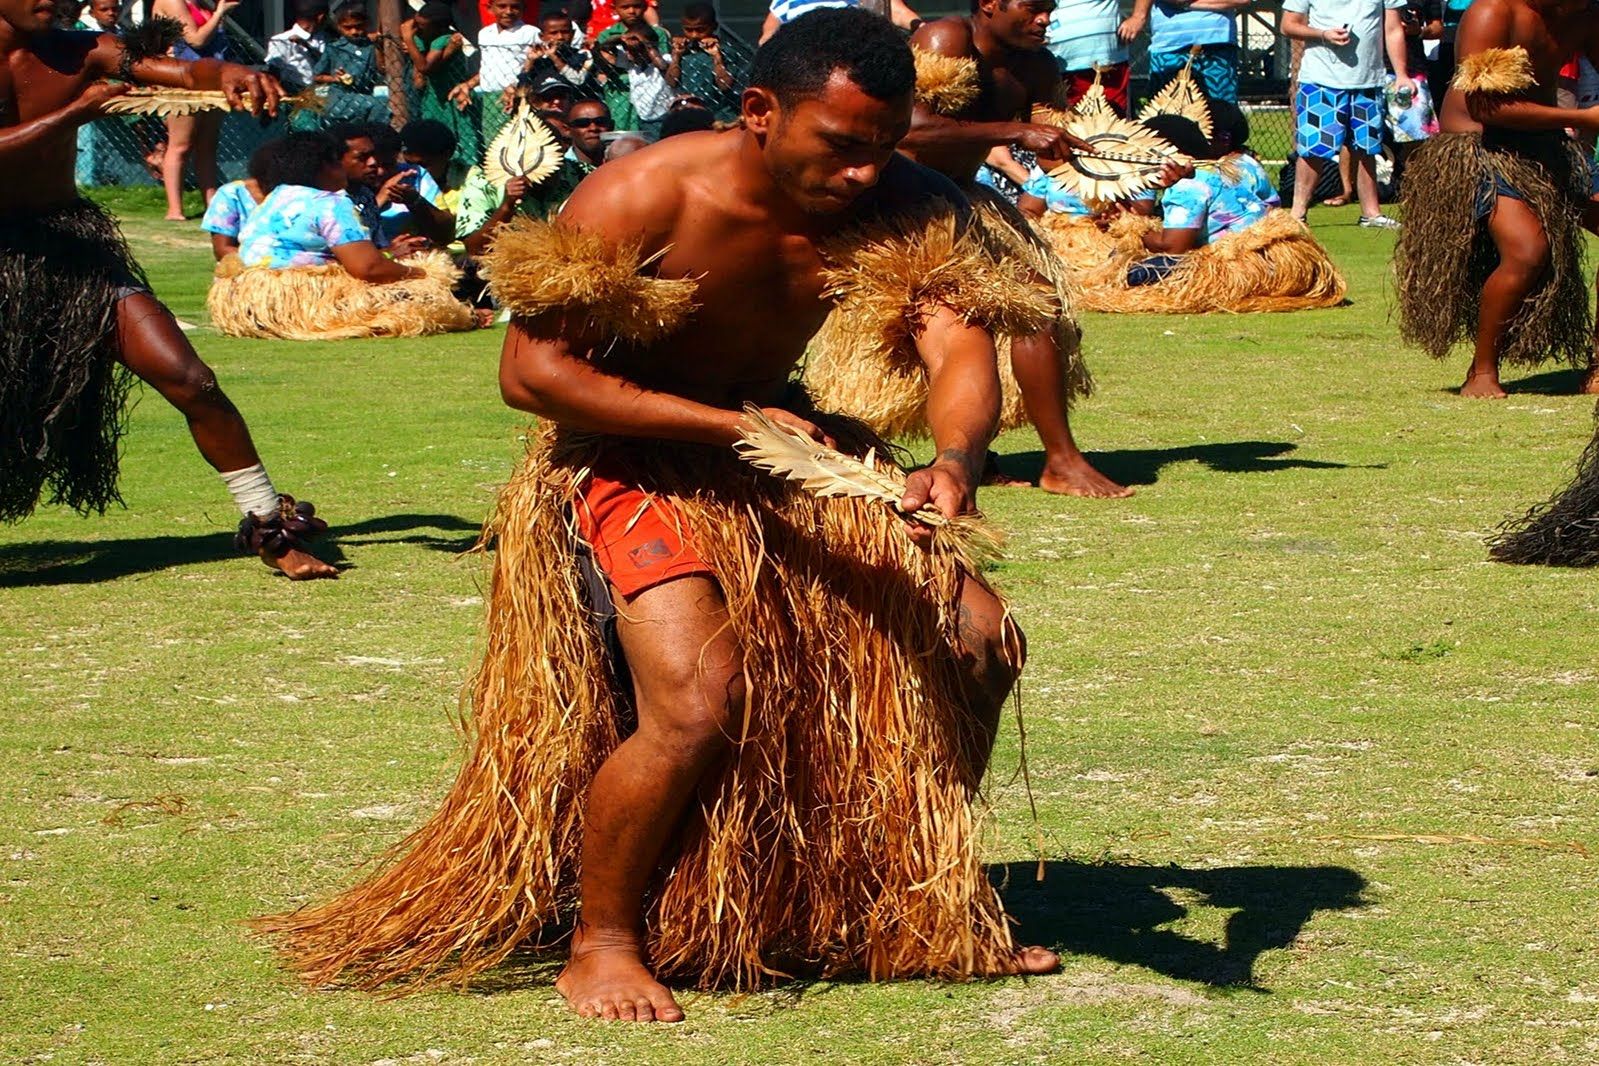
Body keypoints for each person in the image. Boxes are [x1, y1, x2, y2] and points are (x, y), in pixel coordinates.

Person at [258, 7, 1060, 1020]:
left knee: (983, 637)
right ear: (762, 111)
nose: (867, 173)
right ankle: (603, 939)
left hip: (786, 445)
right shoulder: (646, 192)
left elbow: (957, 345)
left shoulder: (906, 201)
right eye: (843, 147)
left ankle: (910, 891)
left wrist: (953, 459)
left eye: (886, 147)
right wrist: (727, 426)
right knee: (697, 699)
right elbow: (532, 374)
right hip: (630, 455)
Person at [0, 1, 335, 578]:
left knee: (191, 379)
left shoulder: (80, 49)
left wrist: (226, 74)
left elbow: (177, 71)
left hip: (71, 246)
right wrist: (78, 111)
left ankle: (269, 529)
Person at [890, 0, 1132, 498]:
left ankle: (1058, 459)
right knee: (946, 327)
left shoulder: (1039, 66)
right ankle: (966, 457)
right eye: (1032, 8)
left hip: (964, 202)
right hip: (899, 203)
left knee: (1036, 304)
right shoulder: (945, 40)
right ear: (990, 4)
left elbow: (1068, 141)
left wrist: (1130, 173)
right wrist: (1015, 129)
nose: (1045, 19)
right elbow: (908, 126)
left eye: (1050, 9)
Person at [1394, 0, 1599, 399]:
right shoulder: (1493, 12)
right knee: (1526, 251)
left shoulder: (1585, 15)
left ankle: (1597, 368)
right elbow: (1486, 107)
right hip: (1480, 148)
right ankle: (1482, 370)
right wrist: (1582, 118)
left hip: (1544, 145)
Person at [1281, 0, 1412, 228]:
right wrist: (1323, 34)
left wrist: (1401, 74)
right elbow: (1289, 25)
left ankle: (1371, 214)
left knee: (1367, 148)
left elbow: (1393, 29)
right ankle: (1298, 213)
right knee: (1313, 149)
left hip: (1368, 82)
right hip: (1320, 81)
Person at [1127, 114, 1274, 284]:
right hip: (1262, 256)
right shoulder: (1219, 167)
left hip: (1238, 267)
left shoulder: (1188, 186)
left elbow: (1172, 250)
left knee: (1134, 272)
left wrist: (1132, 225)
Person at [151, 0, 233, 220]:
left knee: (207, 146)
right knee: (181, 145)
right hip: (182, 80)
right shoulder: (172, 2)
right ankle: (175, 210)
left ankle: (212, 206)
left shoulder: (204, 4)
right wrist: (220, 13)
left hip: (212, 81)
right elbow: (195, 39)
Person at [449, 0, 540, 149]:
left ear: (523, 9)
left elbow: (535, 67)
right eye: (502, 6)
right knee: (493, 145)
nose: (509, 11)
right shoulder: (485, 34)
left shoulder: (530, 33)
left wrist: (517, 87)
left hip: (516, 96)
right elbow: (487, 68)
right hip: (490, 97)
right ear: (490, 9)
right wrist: (468, 85)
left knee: (518, 145)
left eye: (515, 7)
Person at [1126, 0, 1250, 104]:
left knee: (1222, 117)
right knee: (1164, 116)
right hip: (1168, 46)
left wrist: (1185, 3)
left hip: (1217, 45)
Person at [402, 2, 478, 166]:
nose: (416, 29)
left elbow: (424, 67)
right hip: (433, 97)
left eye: (422, 26)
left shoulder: (444, 40)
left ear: (439, 27)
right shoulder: (423, 39)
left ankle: (466, 164)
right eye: (416, 24)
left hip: (453, 93)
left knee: (461, 131)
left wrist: (408, 39)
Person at [593, 0, 672, 137]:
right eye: (625, 7)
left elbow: (661, 62)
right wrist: (620, 38)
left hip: (653, 91)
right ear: (614, 8)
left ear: (645, 7)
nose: (631, 11)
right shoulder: (607, 34)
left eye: (636, 6)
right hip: (620, 91)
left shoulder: (657, 33)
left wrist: (644, 42)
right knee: (622, 132)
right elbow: (605, 60)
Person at [1046, 0, 1136, 114]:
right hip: (1058, 65)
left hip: (1106, 65)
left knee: (1112, 121)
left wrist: (1138, 17)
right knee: (1067, 124)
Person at [312, 1, 387, 124]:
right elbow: (317, 76)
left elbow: (382, 69)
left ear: (366, 24)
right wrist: (335, 78)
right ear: (339, 26)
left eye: (358, 26)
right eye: (347, 27)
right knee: (380, 105)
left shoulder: (370, 46)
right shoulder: (335, 48)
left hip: (364, 93)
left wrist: (378, 46)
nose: (354, 32)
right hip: (338, 96)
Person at [200, 137, 275, 259]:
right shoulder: (230, 194)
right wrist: (272, 261)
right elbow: (221, 250)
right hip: (246, 269)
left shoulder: (302, 196)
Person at [666, 1, 739, 123]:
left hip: (720, 114)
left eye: (701, 30)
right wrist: (676, 57)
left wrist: (717, 56)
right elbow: (672, 82)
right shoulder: (682, 51)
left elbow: (724, 85)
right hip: (689, 112)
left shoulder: (725, 51)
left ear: (714, 27)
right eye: (689, 30)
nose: (694, 35)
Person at [759, 0, 922, 44]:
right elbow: (768, 35)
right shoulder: (786, 1)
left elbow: (898, 11)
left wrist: (922, 28)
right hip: (799, 65)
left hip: (851, 59)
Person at [401, 118, 471, 213]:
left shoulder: (469, 185)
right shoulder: (398, 178)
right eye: (409, 163)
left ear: (446, 155)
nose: (415, 171)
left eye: (423, 164)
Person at [523, 7, 598, 93]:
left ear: (572, 34)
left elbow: (578, 81)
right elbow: (522, 88)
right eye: (553, 33)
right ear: (542, 37)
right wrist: (529, 62)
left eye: (565, 32)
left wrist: (554, 58)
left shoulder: (583, 55)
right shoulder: (539, 61)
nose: (560, 37)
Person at [265, 0, 328, 94]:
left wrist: (306, 46)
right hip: (296, 90)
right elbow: (274, 69)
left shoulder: (325, 38)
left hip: (323, 90)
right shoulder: (282, 40)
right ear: (321, 17)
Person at [563, 97, 612, 170]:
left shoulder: (624, 164)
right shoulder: (559, 171)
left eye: (600, 121)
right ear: (568, 130)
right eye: (582, 123)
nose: (593, 128)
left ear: (611, 126)